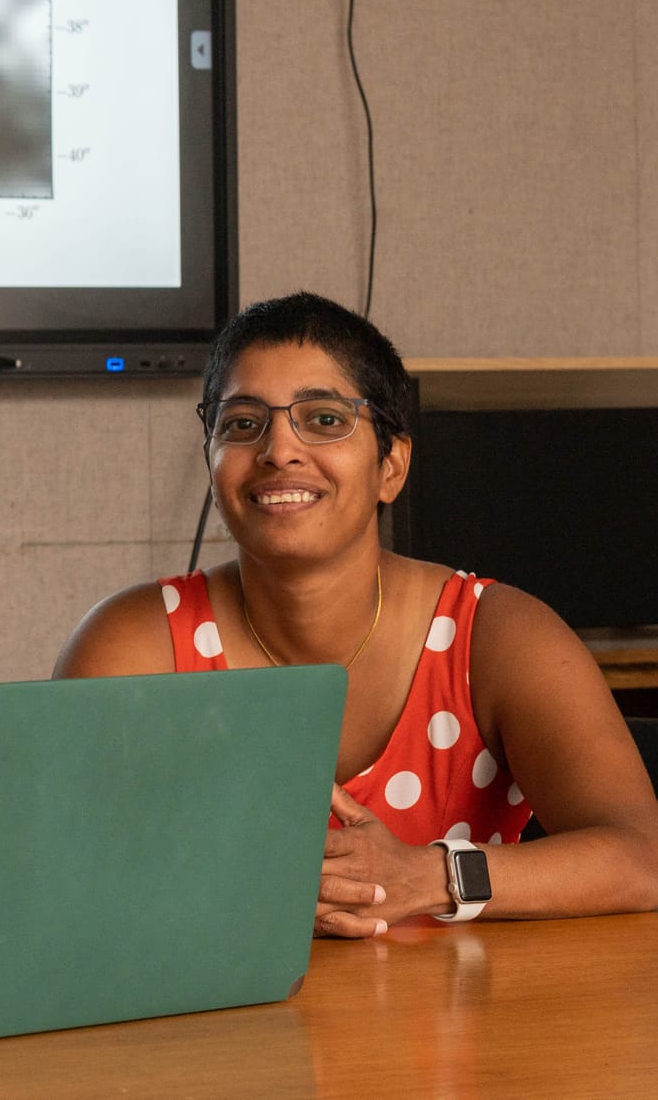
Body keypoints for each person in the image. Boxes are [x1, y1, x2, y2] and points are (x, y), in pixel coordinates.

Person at [55, 291, 658, 937]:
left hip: (464, 1030)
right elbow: (46, 877)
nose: (278, 449)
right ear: (212, 466)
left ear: (391, 465)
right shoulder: (131, 646)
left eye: (324, 419)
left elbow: (641, 857)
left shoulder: (499, 636)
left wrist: (431, 875)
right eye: (242, 423)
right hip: (220, 1032)